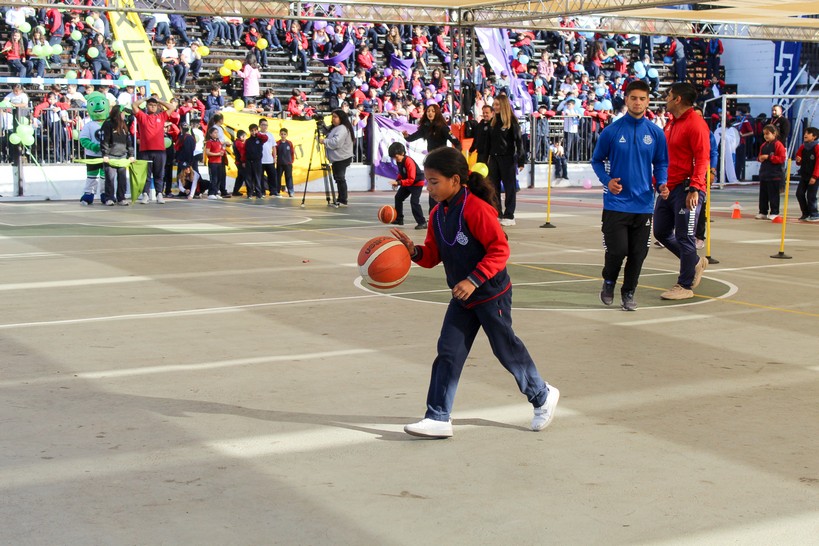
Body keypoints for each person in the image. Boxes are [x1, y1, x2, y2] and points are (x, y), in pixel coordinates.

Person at [389, 147, 559, 439]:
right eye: (427, 181)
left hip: (491, 294)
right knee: (448, 352)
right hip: (463, 297)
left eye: (434, 182)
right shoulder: (437, 214)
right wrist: (413, 251)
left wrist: (473, 280)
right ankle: (438, 417)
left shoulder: (476, 209)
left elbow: (500, 250)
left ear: (455, 180)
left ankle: (542, 396)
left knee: (506, 350)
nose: (429, 188)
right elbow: (432, 255)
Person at [591, 80, 669, 311]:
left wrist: (661, 183)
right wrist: (607, 181)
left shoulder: (655, 133)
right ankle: (609, 281)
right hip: (616, 204)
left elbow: (661, 162)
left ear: (648, 101)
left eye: (642, 99)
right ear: (626, 99)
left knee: (638, 253)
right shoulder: (611, 131)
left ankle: (628, 292)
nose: (637, 102)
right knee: (617, 250)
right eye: (633, 98)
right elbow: (597, 160)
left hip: (643, 204)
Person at [653, 82, 710, 300]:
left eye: (669, 95)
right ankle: (694, 262)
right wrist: (659, 181)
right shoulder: (671, 123)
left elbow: (702, 158)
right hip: (669, 186)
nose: (666, 99)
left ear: (677, 99)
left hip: (687, 188)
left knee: (685, 236)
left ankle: (684, 285)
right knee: (660, 231)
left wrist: (694, 188)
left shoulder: (696, 124)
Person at [487, 94, 525, 226]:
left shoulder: (512, 122)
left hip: (508, 159)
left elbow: (519, 142)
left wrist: (521, 160)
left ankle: (509, 215)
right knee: (494, 187)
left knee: (510, 188)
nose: (495, 107)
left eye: (497, 104)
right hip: (494, 158)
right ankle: (498, 213)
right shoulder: (493, 122)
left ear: (503, 105)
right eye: (494, 104)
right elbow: (488, 143)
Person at [133, 96, 173, 204]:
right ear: (147, 106)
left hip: (159, 151)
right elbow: (134, 105)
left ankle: (159, 194)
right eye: (150, 105)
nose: (153, 107)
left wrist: (159, 101)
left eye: (155, 105)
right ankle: (145, 194)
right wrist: (145, 99)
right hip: (145, 151)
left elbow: (172, 107)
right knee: (145, 175)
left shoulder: (161, 116)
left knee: (159, 174)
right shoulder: (142, 116)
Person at [100, 105, 135, 206]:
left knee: (122, 179)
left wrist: (131, 154)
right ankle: (109, 198)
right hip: (111, 156)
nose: (125, 115)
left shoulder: (124, 124)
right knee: (110, 179)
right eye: (123, 113)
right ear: (119, 113)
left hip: (122, 156)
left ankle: (121, 198)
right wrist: (105, 154)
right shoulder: (107, 124)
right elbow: (104, 140)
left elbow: (128, 141)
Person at [388, 142, 427, 230]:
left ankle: (422, 222)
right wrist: (397, 181)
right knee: (398, 198)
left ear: (402, 153)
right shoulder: (399, 161)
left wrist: (399, 183)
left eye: (396, 157)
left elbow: (411, 179)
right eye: (393, 157)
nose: (395, 159)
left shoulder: (409, 161)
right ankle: (399, 219)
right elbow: (402, 173)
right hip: (408, 182)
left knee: (414, 202)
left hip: (416, 183)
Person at [323, 109, 355, 206]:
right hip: (339, 157)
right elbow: (329, 134)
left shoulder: (342, 128)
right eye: (332, 117)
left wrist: (324, 141)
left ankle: (342, 199)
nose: (333, 119)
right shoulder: (337, 128)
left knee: (340, 178)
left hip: (341, 157)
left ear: (341, 118)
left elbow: (336, 142)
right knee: (338, 179)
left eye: (335, 117)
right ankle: (341, 198)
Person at [756, 124, 787, 220]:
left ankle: (774, 212)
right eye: (764, 134)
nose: (765, 136)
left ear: (774, 134)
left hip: (774, 175)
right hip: (764, 174)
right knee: (763, 195)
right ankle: (763, 212)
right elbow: (759, 156)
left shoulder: (778, 145)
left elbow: (782, 158)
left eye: (767, 133)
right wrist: (760, 158)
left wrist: (769, 157)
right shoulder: (763, 145)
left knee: (773, 195)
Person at [794, 127, 819, 222]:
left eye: (808, 133)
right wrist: (798, 160)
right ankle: (805, 213)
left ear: (814, 136)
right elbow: (798, 160)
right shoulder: (802, 147)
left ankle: (814, 214)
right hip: (804, 175)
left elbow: (818, 164)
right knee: (799, 194)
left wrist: (814, 176)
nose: (805, 134)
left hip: (814, 176)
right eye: (805, 133)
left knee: (811, 196)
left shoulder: (817, 148)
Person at [244, 123, 269, 199]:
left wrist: (258, 134)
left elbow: (266, 138)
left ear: (257, 130)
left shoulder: (260, 139)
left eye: (255, 130)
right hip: (249, 161)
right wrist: (243, 161)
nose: (253, 132)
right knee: (249, 178)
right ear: (249, 131)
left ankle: (259, 194)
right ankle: (249, 193)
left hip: (257, 161)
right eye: (252, 131)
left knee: (258, 178)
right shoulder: (247, 141)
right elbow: (244, 152)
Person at [204, 126, 227, 200]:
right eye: (215, 132)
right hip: (212, 162)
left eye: (217, 132)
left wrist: (222, 151)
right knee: (213, 178)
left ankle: (216, 192)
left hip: (219, 162)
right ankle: (211, 193)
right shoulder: (209, 142)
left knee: (219, 178)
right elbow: (207, 152)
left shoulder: (218, 141)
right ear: (210, 134)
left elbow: (221, 149)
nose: (216, 134)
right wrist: (217, 154)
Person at [258, 118, 278, 196]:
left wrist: (274, 157)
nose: (265, 126)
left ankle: (273, 191)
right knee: (260, 177)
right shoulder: (257, 135)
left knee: (272, 176)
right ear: (260, 125)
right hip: (260, 160)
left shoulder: (270, 135)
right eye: (263, 125)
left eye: (266, 125)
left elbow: (274, 147)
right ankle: (262, 191)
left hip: (269, 160)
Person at [276, 127, 295, 197]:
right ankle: (277, 191)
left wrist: (291, 161)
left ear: (287, 135)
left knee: (289, 177)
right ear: (279, 134)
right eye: (282, 134)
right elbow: (275, 153)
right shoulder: (277, 143)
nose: (283, 135)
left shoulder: (289, 143)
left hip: (288, 164)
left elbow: (292, 152)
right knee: (278, 178)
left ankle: (291, 191)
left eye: (284, 134)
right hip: (280, 163)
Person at [231, 129, 247, 196]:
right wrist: (243, 161)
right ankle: (250, 190)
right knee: (246, 176)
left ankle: (235, 191)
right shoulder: (239, 143)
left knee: (240, 177)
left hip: (238, 162)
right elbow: (242, 153)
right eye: (245, 136)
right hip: (241, 162)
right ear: (242, 137)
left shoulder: (236, 142)